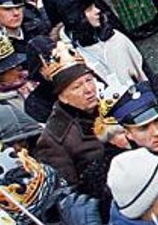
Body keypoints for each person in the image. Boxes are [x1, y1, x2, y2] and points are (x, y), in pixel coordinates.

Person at [35, 41, 108, 200]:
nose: (88, 90)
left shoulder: (111, 107)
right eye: (77, 87)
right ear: (62, 97)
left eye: (89, 80)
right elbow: (71, 196)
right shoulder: (54, 140)